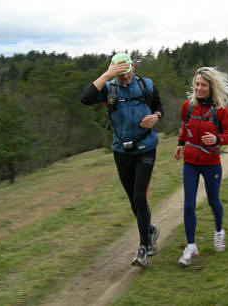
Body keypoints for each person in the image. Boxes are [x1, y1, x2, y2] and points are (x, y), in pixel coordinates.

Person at [80, 53, 164, 267]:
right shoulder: (109, 89)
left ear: (133, 66)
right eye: (119, 72)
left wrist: (155, 117)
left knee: (139, 196)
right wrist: (108, 74)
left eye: (126, 71)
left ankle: (144, 247)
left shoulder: (147, 85)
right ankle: (151, 230)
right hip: (121, 151)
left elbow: (159, 107)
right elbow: (86, 98)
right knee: (133, 200)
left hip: (146, 147)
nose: (124, 77)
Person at [174, 67, 228, 266]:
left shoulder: (220, 110)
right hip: (190, 163)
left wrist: (217, 138)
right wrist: (180, 144)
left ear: (211, 87)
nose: (199, 88)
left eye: (203, 85)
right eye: (197, 84)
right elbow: (186, 126)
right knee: (188, 204)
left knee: (213, 201)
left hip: (211, 163)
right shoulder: (188, 106)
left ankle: (219, 232)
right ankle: (191, 246)